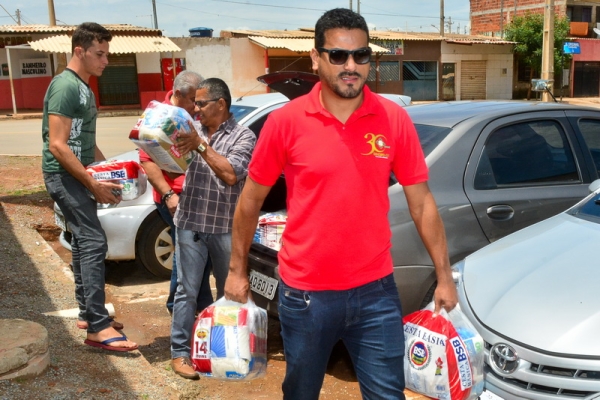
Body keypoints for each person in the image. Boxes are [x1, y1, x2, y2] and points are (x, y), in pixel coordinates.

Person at [224, 8, 458, 399]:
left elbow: (421, 203)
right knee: (301, 392)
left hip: (376, 292)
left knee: (387, 394)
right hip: (306, 294)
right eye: (338, 55)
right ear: (316, 59)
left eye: (360, 55)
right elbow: (250, 201)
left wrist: (444, 275)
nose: (351, 66)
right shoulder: (286, 122)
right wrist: (236, 270)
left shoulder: (393, 119)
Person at [42, 22, 138, 352]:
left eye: (107, 54)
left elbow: (86, 144)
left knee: (85, 243)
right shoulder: (65, 87)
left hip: (78, 173)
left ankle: (89, 314)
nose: (106, 61)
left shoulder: (84, 88)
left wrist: (110, 172)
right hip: (63, 175)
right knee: (93, 241)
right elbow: (58, 145)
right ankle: (97, 326)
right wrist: (92, 183)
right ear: (79, 51)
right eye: (100, 54)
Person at [169, 78, 256, 379]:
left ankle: (225, 353)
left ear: (221, 104)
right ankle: (180, 353)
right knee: (186, 291)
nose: (196, 109)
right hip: (190, 222)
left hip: (224, 227)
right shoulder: (192, 130)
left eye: (201, 103)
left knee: (227, 293)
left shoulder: (244, 136)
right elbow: (172, 161)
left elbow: (231, 174)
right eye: (195, 103)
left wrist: (200, 145)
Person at [137, 70, 213, 316]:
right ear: (178, 93)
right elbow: (147, 161)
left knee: (199, 255)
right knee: (188, 255)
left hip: (199, 197)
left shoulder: (194, 114)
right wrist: (169, 195)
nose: (196, 107)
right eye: (192, 101)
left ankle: (199, 308)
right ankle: (179, 307)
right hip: (175, 198)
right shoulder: (158, 115)